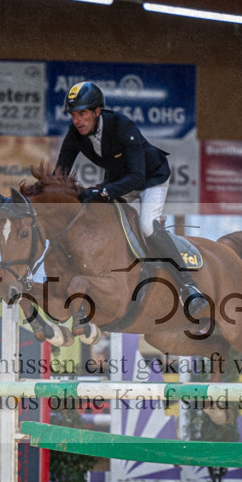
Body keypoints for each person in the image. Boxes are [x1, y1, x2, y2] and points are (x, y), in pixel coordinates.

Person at [54, 81, 207, 317]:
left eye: (82, 113)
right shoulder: (75, 134)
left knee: (147, 226)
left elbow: (137, 177)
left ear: (97, 111)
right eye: (74, 115)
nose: (77, 120)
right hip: (119, 179)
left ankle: (189, 286)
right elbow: (59, 175)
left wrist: (104, 191)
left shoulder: (122, 126)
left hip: (150, 178)